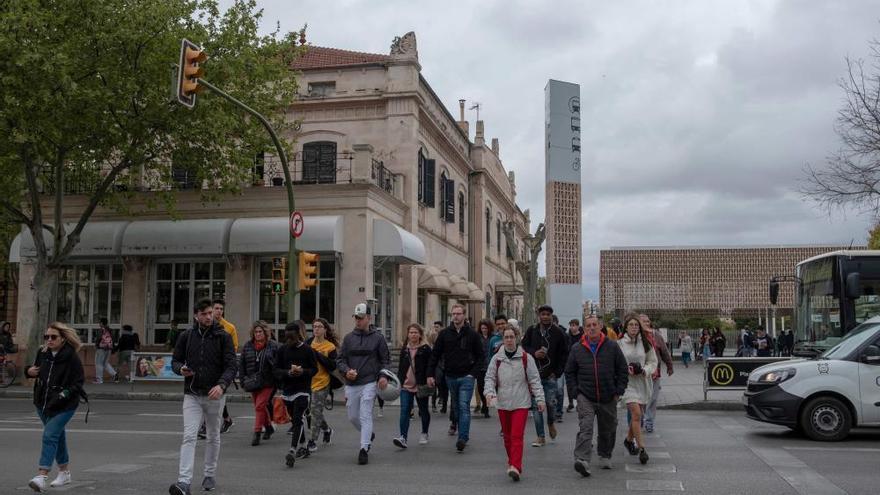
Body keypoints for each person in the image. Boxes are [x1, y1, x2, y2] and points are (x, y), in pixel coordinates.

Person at [169, 299, 237, 495]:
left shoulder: (223, 337)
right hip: (192, 394)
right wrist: (179, 369)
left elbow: (232, 366)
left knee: (213, 436)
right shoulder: (186, 336)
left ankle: (209, 474)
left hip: (215, 395)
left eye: (210, 313)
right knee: (189, 436)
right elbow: (175, 360)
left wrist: (222, 385)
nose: (209, 316)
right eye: (205, 313)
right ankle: (184, 481)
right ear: (196, 315)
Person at [26, 322, 85, 492]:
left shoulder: (71, 356)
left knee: (50, 435)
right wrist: (28, 371)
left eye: (53, 337)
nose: (49, 340)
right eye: (47, 337)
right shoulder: (42, 353)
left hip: (64, 405)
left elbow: (78, 383)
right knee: (57, 436)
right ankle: (64, 472)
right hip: (43, 403)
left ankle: (42, 476)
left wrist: (63, 394)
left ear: (63, 339)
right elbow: (34, 370)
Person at [566, 315, 628, 476]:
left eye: (595, 325)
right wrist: (575, 392)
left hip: (608, 395)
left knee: (608, 428)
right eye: (588, 326)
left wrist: (619, 390)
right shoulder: (577, 348)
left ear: (601, 327)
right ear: (584, 329)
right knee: (585, 428)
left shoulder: (612, 346)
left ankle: (605, 454)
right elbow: (570, 372)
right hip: (585, 395)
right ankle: (582, 460)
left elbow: (622, 369)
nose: (592, 328)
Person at [484, 325, 545, 481]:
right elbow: (489, 378)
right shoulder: (496, 358)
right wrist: (489, 393)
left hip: (521, 403)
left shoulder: (526, 358)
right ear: (503, 339)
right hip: (503, 402)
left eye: (512, 337)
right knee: (507, 437)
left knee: (517, 436)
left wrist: (540, 399)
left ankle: (516, 467)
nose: (509, 340)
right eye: (506, 337)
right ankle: (512, 462)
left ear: (517, 338)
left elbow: (534, 380)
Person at [336, 303, 391, 465]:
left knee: (365, 413)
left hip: (370, 381)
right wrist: (346, 371)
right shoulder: (348, 338)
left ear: (369, 318)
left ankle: (364, 448)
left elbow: (385, 360)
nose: (358, 321)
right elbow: (340, 360)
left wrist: (383, 376)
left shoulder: (378, 338)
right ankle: (368, 435)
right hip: (352, 383)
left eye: (361, 318)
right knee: (353, 417)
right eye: (356, 318)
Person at [428, 303, 484, 453]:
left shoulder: (472, 334)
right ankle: (460, 429)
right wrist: (430, 374)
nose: (456, 316)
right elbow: (435, 355)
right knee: (457, 406)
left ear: (464, 316)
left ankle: (463, 438)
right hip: (450, 376)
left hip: (467, 376)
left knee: (464, 406)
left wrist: (473, 373)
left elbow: (481, 356)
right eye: (453, 314)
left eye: (459, 314)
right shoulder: (445, 334)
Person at [521, 304, 567, 447]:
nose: (545, 317)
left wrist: (557, 372)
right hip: (534, 375)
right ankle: (540, 436)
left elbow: (564, 354)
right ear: (539, 316)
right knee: (536, 406)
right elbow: (524, 347)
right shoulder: (532, 331)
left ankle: (551, 422)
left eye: (548, 314)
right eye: (543, 314)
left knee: (550, 404)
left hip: (550, 375)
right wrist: (534, 353)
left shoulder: (558, 333)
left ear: (551, 316)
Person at [273, 322, 317, 467]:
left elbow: (314, 370)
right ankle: (304, 446)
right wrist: (288, 373)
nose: (289, 341)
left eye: (292, 337)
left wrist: (302, 371)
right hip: (288, 391)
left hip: (303, 390)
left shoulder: (307, 350)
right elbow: (276, 370)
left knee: (298, 418)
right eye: (287, 338)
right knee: (295, 420)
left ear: (299, 335)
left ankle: (292, 450)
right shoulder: (282, 350)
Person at [619, 314, 657, 466]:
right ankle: (642, 449)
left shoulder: (646, 343)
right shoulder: (619, 344)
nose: (634, 327)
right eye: (631, 325)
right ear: (626, 327)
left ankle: (628, 440)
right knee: (636, 414)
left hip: (642, 382)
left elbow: (652, 362)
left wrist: (644, 370)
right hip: (627, 384)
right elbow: (615, 362)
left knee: (638, 415)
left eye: (636, 325)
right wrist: (625, 369)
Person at [239, 321, 279, 447]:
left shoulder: (273, 346)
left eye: (260, 331)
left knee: (259, 406)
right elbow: (242, 364)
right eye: (256, 332)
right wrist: (242, 380)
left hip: (268, 381)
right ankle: (268, 427)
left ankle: (257, 433)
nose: (258, 334)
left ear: (265, 332)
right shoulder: (247, 346)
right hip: (252, 381)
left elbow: (279, 363)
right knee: (259, 406)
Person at [393, 323, 433, 448]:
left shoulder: (426, 349)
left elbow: (430, 366)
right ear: (408, 334)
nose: (413, 334)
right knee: (404, 411)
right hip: (406, 385)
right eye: (411, 332)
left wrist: (430, 378)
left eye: (415, 332)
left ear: (420, 334)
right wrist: (398, 382)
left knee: (423, 410)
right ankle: (403, 437)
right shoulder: (405, 349)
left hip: (420, 385)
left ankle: (424, 433)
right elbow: (401, 368)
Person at [307, 318, 338, 452]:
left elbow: (332, 365)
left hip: (322, 382)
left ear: (325, 329)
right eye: (314, 327)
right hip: (308, 382)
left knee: (315, 411)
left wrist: (318, 355)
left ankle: (312, 441)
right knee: (314, 411)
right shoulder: (307, 344)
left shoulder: (330, 347)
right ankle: (327, 429)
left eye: (319, 327)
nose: (316, 329)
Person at [639, 314, 672, 434]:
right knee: (641, 399)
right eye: (643, 322)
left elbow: (664, 351)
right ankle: (640, 419)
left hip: (654, 373)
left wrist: (669, 365)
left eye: (648, 321)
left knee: (652, 399)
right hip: (640, 374)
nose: (646, 324)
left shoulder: (656, 335)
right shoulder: (635, 336)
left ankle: (649, 422)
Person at [212, 300, 238, 434]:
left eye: (221, 309)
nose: (219, 311)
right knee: (212, 395)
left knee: (217, 394)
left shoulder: (229, 327)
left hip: (223, 368)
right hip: (209, 367)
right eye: (216, 308)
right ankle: (227, 419)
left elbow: (234, 348)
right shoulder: (206, 324)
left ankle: (208, 426)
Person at [474, 319, 494, 419]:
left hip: (490, 366)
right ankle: (484, 403)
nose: (484, 330)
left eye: (486, 328)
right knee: (480, 387)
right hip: (480, 366)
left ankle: (486, 408)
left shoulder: (492, 338)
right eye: (482, 328)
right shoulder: (477, 337)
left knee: (488, 388)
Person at [564, 319, 583, 413]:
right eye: (571, 325)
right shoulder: (568, 337)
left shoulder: (583, 336)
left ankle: (580, 403)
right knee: (569, 383)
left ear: (578, 326)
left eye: (574, 325)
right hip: (569, 363)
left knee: (580, 383)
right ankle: (571, 402)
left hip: (580, 363)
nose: (572, 327)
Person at [93, 318, 117, 384]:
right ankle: (114, 374)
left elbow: (98, 338)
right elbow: (113, 339)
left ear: (101, 323)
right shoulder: (110, 330)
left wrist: (96, 345)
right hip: (109, 348)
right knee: (105, 363)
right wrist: (113, 348)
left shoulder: (101, 330)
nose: (99, 324)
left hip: (101, 348)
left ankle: (99, 380)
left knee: (98, 364)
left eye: (99, 322)